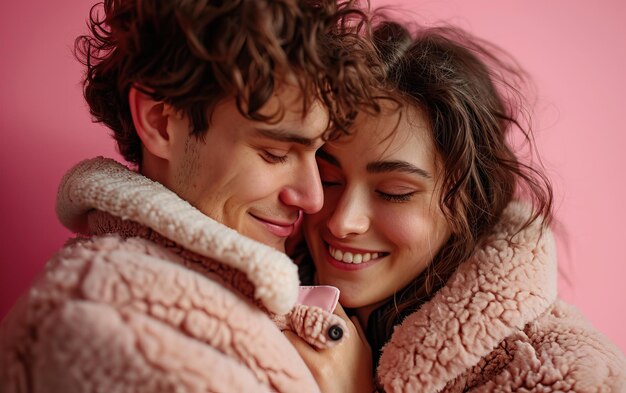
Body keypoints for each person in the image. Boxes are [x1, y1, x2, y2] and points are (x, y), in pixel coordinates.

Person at [0, 1, 383, 392]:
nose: (313, 197)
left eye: (317, 154)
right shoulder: (109, 330)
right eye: (275, 153)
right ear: (161, 123)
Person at [289, 21, 626, 392]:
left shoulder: (566, 373)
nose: (342, 222)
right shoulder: (267, 314)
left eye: (394, 191)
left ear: (470, 201)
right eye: (328, 179)